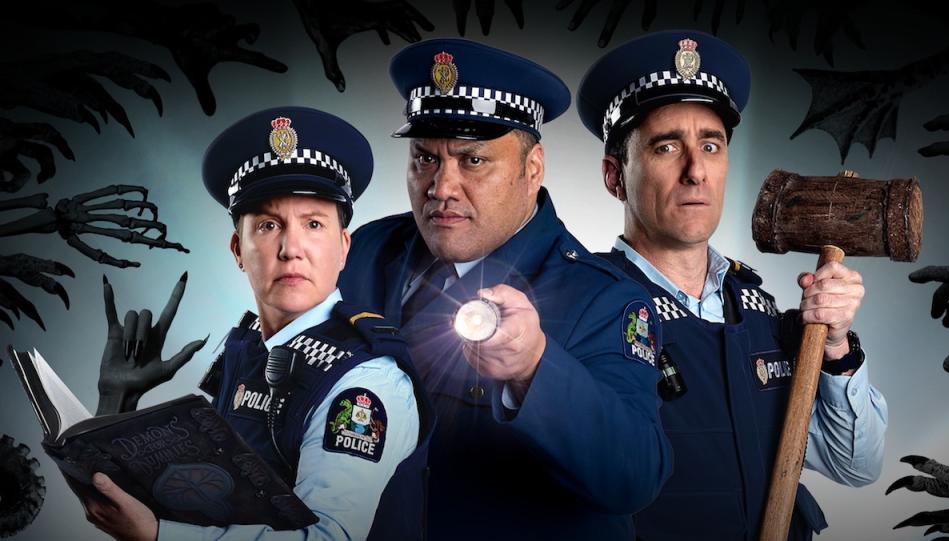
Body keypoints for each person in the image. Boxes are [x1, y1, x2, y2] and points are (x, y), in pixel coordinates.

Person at [337, 38, 672, 541]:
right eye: (425, 158)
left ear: (531, 169)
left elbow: (634, 478)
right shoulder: (365, 250)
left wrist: (536, 367)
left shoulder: (605, 298)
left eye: (472, 161)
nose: (442, 187)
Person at [576, 30, 889, 540]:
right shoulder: (586, 309)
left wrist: (834, 349)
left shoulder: (763, 315)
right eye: (667, 146)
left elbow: (855, 466)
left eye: (711, 145)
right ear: (615, 177)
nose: (695, 171)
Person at [82, 106, 434, 541]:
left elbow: (328, 538)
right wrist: (117, 408)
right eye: (269, 225)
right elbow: (200, 498)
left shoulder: (365, 382)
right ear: (237, 249)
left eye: (314, 224)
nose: (291, 248)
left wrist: (158, 537)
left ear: (344, 248)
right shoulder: (251, 350)